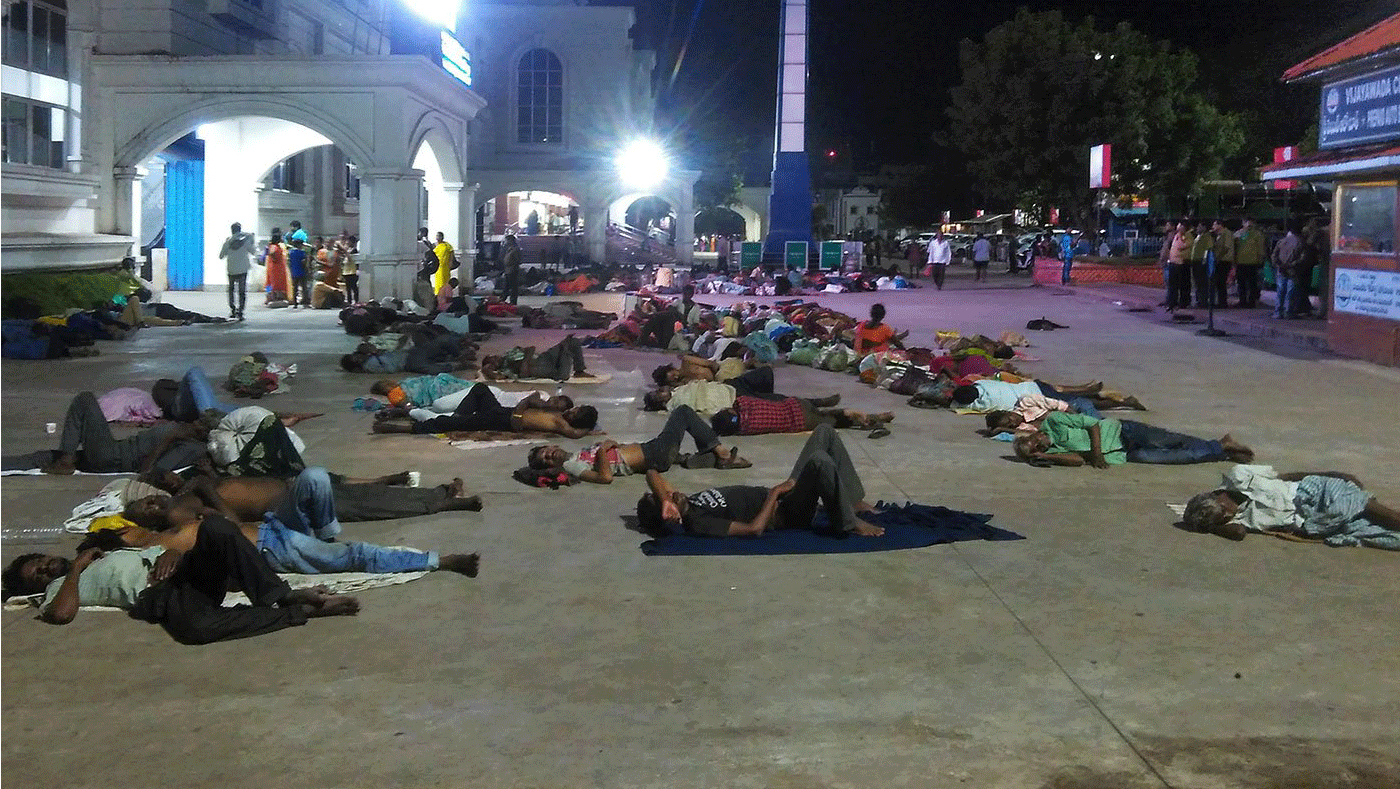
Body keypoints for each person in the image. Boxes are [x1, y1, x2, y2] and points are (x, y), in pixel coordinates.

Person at [1, 520, 359, 644]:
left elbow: (154, 541)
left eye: (41, 562)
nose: (47, 568)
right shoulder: (53, 592)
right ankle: (298, 613)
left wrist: (169, 553)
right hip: (161, 594)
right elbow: (63, 615)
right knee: (194, 629)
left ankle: (283, 595)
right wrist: (75, 570)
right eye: (39, 574)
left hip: (182, 568)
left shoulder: (100, 549)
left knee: (217, 528)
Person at [635, 425, 885, 537]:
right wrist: (775, 493)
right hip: (787, 512)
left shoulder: (683, 501)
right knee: (819, 460)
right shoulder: (698, 523)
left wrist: (664, 499)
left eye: (666, 495)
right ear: (669, 517)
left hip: (783, 497)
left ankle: (851, 502)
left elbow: (651, 474)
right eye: (667, 501)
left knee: (825, 432)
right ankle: (848, 523)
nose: (672, 494)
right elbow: (753, 530)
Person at [142, 465, 483, 526]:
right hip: (287, 507)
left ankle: (438, 492)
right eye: (145, 509)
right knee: (367, 506)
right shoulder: (178, 513)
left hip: (290, 488)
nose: (152, 503)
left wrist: (205, 482)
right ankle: (447, 503)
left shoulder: (184, 491)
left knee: (356, 493)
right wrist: (206, 488)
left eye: (147, 498)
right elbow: (229, 524)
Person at [1181, 466, 1400, 548]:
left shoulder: (1239, 475)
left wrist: (1332, 474)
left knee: (1356, 505)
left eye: (1225, 509)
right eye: (1223, 517)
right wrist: (1211, 526)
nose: (1229, 514)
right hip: (1310, 520)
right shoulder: (1237, 521)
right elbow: (1237, 534)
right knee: (1375, 532)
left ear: (1219, 497)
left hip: (1311, 490)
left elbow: (1286, 476)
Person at [2, 392, 211, 475]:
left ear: (205, 434)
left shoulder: (192, 447)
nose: (195, 423)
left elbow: (153, 471)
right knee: (43, 457)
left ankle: (66, 459)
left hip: (113, 458)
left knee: (85, 400)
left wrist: (167, 440)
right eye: (198, 420)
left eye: (201, 425)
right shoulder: (182, 431)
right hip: (113, 450)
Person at [528, 405, 748, 483]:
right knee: (683, 412)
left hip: (651, 452)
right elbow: (604, 477)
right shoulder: (572, 466)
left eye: (547, 451)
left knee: (681, 445)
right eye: (547, 459)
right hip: (654, 454)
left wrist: (609, 443)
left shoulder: (576, 455)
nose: (551, 455)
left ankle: (702, 460)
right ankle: (722, 452)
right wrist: (604, 449)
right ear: (550, 467)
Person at [1012, 412, 1253, 468]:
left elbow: (1092, 423)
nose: (1040, 446)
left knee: (1174, 441)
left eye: (1035, 444)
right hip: (1122, 454)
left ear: (1034, 435)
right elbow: (1077, 461)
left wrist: (1096, 451)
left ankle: (1221, 446)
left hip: (1122, 432)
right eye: (1035, 450)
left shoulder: (1054, 421)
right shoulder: (1053, 451)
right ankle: (1222, 448)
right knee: (1179, 457)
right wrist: (1045, 456)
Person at [372, 384, 599, 438]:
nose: (569, 412)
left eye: (573, 413)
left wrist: (528, 403)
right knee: (480, 389)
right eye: (572, 409)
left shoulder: (563, 425)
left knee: (446, 424)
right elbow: (531, 400)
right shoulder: (553, 410)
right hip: (504, 412)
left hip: (504, 420)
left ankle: (395, 427)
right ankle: (459, 418)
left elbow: (578, 433)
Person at [709, 395, 891, 436]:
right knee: (817, 408)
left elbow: (735, 422)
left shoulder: (745, 429)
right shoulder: (745, 404)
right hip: (795, 405)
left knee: (836, 421)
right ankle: (820, 401)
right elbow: (741, 399)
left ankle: (861, 415)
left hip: (801, 421)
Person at [951, 379, 1145, 413]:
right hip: (1031, 385)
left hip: (1037, 398)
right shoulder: (983, 384)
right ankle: (1094, 390)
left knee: (1079, 405)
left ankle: (1124, 402)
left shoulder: (982, 405)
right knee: (1064, 392)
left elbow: (960, 407)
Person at [479, 336, 588, 382]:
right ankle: (564, 348)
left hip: (548, 357)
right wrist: (486, 368)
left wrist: (525, 362)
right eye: (492, 360)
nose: (495, 357)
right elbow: (495, 376)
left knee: (573, 341)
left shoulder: (509, 354)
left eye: (493, 356)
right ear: (493, 366)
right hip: (556, 371)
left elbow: (531, 349)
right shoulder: (505, 370)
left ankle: (579, 371)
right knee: (567, 348)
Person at [218, 222, 256, 321]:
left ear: (232, 230)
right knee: (242, 291)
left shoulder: (228, 242)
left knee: (231, 290)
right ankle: (241, 311)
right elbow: (253, 251)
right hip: (243, 269)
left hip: (231, 269)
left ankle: (233, 309)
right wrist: (252, 240)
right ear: (240, 229)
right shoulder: (246, 241)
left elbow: (221, 256)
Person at [1271, 220, 1304, 319]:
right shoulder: (1300, 242)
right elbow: (1302, 258)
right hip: (1293, 270)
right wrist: (1292, 264)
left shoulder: (1281, 241)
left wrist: (1278, 265)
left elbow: (1274, 255)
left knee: (1280, 291)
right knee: (1290, 292)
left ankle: (1278, 312)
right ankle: (1288, 312)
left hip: (1281, 270)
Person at [1233, 218, 1266, 308]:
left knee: (1252, 283)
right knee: (1242, 283)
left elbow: (1261, 248)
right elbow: (1234, 246)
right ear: (1243, 223)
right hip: (1241, 262)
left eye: (1250, 222)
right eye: (1246, 222)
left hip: (1252, 263)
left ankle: (1251, 302)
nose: (1248, 224)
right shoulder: (1238, 234)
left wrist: (1260, 260)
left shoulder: (1257, 234)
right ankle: (1243, 301)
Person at [1167, 220, 1192, 310]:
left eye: (1180, 226)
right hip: (1173, 262)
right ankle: (1172, 302)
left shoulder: (1186, 236)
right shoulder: (1176, 235)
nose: (1178, 227)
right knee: (1172, 285)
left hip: (1181, 263)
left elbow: (1182, 246)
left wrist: (1180, 236)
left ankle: (1183, 303)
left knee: (1182, 285)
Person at [1187, 219, 1212, 308]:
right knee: (1197, 282)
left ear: (1204, 227)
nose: (1197, 228)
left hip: (1201, 262)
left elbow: (1208, 249)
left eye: (1199, 226)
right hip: (1195, 261)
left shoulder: (1207, 236)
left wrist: (1204, 260)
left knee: (1202, 282)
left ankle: (1203, 301)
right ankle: (1199, 300)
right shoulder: (1198, 236)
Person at [1210, 220, 1235, 308]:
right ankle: (1220, 301)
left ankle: (1223, 302)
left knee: (1221, 281)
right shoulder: (1218, 235)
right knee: (1219, 282)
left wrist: (1218, 257)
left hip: (1224, 260)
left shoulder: (1226, 233)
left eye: (1214, 224)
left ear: (1220, 225)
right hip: (1220, 260)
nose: (1213, 226)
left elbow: (1226, 247)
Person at [264, 231, 289, 304]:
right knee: (274, 283)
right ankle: (272, 297)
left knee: (271, 281)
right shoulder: (274, 246)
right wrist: (275, 259)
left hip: (275, 266)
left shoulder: (274, 246)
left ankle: (271, 297)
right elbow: (272, 253)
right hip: (275, 267)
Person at [1157, 221, 1178, 307]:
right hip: (1165, 261)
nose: (1166, 227)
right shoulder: (1167, 237)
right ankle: (1168, 299)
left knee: (1170, 282)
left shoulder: (1173, 237)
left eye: (1168, 225)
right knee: (1167, 282)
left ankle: (1171, 300)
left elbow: (1169, 249)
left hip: (1169, 261)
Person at [287, 238, 310, 308]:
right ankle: (305, 302)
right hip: (302, 272)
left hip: (294, 272)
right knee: (304, 288)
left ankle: (295, 303)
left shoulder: (291, 252)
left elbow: (289, 262)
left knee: (295, 288)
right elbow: (304, 262)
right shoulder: (302, 252)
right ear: (300, 245)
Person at [501, 234, 522, 305]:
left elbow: (518, 260)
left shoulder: (515, 249)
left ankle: (513, 301)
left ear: (510, 241)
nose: (505, 242)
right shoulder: (509, 249)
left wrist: (513, 266)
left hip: (512, 270)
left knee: (513, 287)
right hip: (508, 270)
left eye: (507, 240)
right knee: (506, 286)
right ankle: (502, 299)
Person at [340, 235, 360, 304]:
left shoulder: (354, 250)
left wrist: (345, 250)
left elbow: (350, 258)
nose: (347, 242)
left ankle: (356, 300)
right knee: (348, 288)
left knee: (354, 287)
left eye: (348, 241)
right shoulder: (348, 249)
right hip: (346, 271)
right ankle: (349, 301)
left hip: (352, 271)